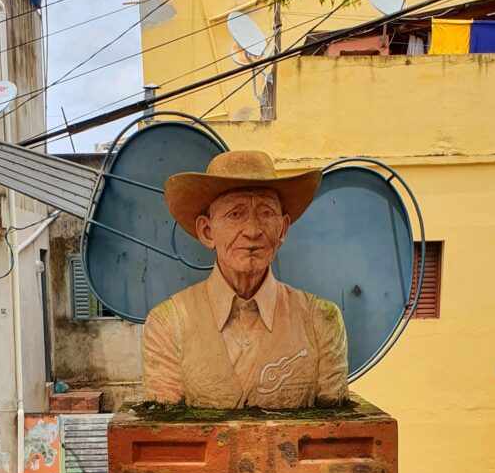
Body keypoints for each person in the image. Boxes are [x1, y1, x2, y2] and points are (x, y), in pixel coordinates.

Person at [143, 150, 348, 409]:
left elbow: (337, 427)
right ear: (207, 231)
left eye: (266, 213)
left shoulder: (320, 321)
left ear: (282, 229)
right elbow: (161, 430)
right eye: (235, 214)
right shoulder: (168, 325)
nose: (252, 230)